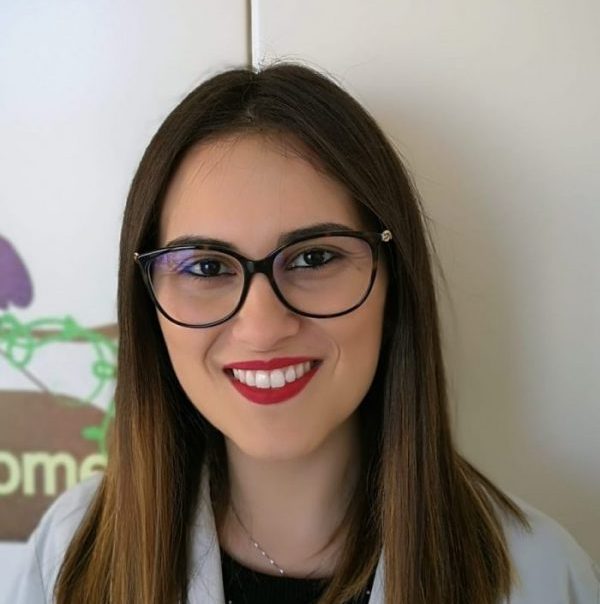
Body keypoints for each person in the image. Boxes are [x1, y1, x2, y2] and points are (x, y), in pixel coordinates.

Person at [8, 63, 599, 604]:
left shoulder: (540, 577)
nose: (263, 328)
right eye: (206, 268)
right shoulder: (69, 556)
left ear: (393, 279)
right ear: (148, 304)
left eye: (314, 258)